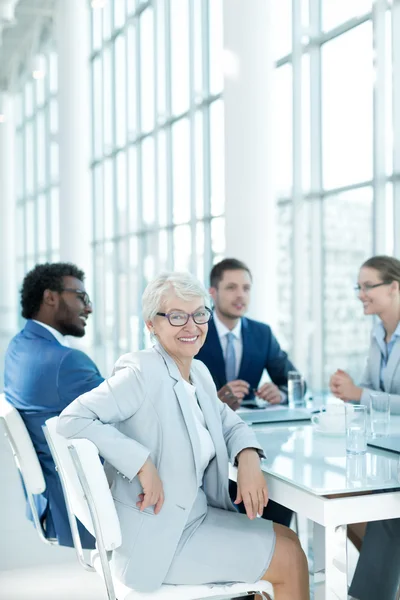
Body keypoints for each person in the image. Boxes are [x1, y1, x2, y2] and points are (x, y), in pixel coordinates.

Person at [57, 272, 310, 599]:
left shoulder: (198, 372)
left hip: (195, 518)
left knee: (288, 539)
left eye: (199, 314)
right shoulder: (140, 372)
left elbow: (230, 422)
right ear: (152, 324)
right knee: (289, 558)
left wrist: (248, 457)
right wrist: (142, 463)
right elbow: (71, 420)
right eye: (177, 316)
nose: (192, 326)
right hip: (161, 540)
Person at [196, 258, 304, 527]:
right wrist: (214, 400)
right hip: (209, 444)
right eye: (231, 287)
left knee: (278, 496)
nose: (240, 295)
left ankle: (276, 546)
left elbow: (295, 381)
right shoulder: (196, 331)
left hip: (258, 438)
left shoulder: (261, 333)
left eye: (246, 288)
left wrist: (281, 393)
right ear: (213, 293)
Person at [4, 262, 104, 548]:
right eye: (81, 298)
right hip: (84, 502)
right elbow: (129, 411)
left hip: (50, 500)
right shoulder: (66, 362)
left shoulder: (18, 347)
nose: (89, 308)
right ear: (50, 297)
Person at [330, 255, 400, 600]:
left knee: (387, 508)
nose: (361, 294)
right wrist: (352, 392)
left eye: (368, 286)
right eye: (358, 287)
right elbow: (375, 391)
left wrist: (361, 393)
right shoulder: (378, 334)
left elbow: (374, 395)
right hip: (387, 448)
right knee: (355, 498)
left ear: (394, 287)